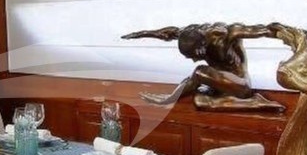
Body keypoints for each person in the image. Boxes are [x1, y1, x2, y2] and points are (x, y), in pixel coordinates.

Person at [121, 22, 294, 108]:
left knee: (199, 72)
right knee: (197, 98)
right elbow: (166, 34)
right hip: (219, 85)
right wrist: (139, 34)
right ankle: (254, 103)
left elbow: (268, 30)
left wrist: (300, 38)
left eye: (195, 56)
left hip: (240, 85)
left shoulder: (227, 34)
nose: (194, 60)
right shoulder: (192, 34)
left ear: (203, 45)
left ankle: (168, 100)